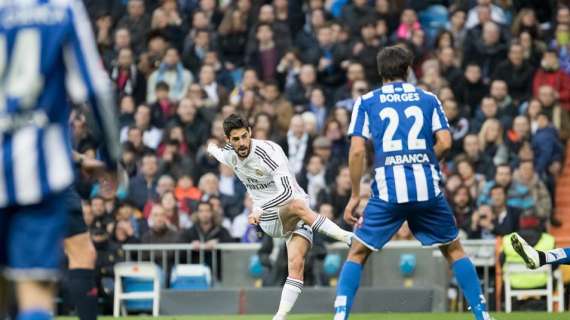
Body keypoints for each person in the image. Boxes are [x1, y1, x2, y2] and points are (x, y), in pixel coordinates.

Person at [333, 46, 490, 320]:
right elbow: (445, 142)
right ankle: (482, 315)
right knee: (453, 250)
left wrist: (356, 195)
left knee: (357, 253)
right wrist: (425, 159)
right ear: (408, 70)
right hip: (427, 188)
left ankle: (340, 316)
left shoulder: (367, 101)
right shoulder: (428, 98)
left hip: (388, 192)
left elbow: (357, 150)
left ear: (380, 72)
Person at [0, 1, 119, 320]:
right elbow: (96, 89)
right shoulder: (60, 10)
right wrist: (111, 159)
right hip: (39, 177)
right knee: (37, 283)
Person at [207, 114, 352, 320]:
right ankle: (348, 238)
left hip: (288, 210)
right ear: (229, 140)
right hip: (272, 220)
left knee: (296, 265)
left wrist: (259, 210)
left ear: (250, 133)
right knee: (298, 206)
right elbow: (219, 153)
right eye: (236, 139)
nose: (241, 143)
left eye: (244, 136)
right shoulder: (230, 155)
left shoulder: (269, 152)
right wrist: (211, 149)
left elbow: (286, 193)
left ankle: (279, 316)